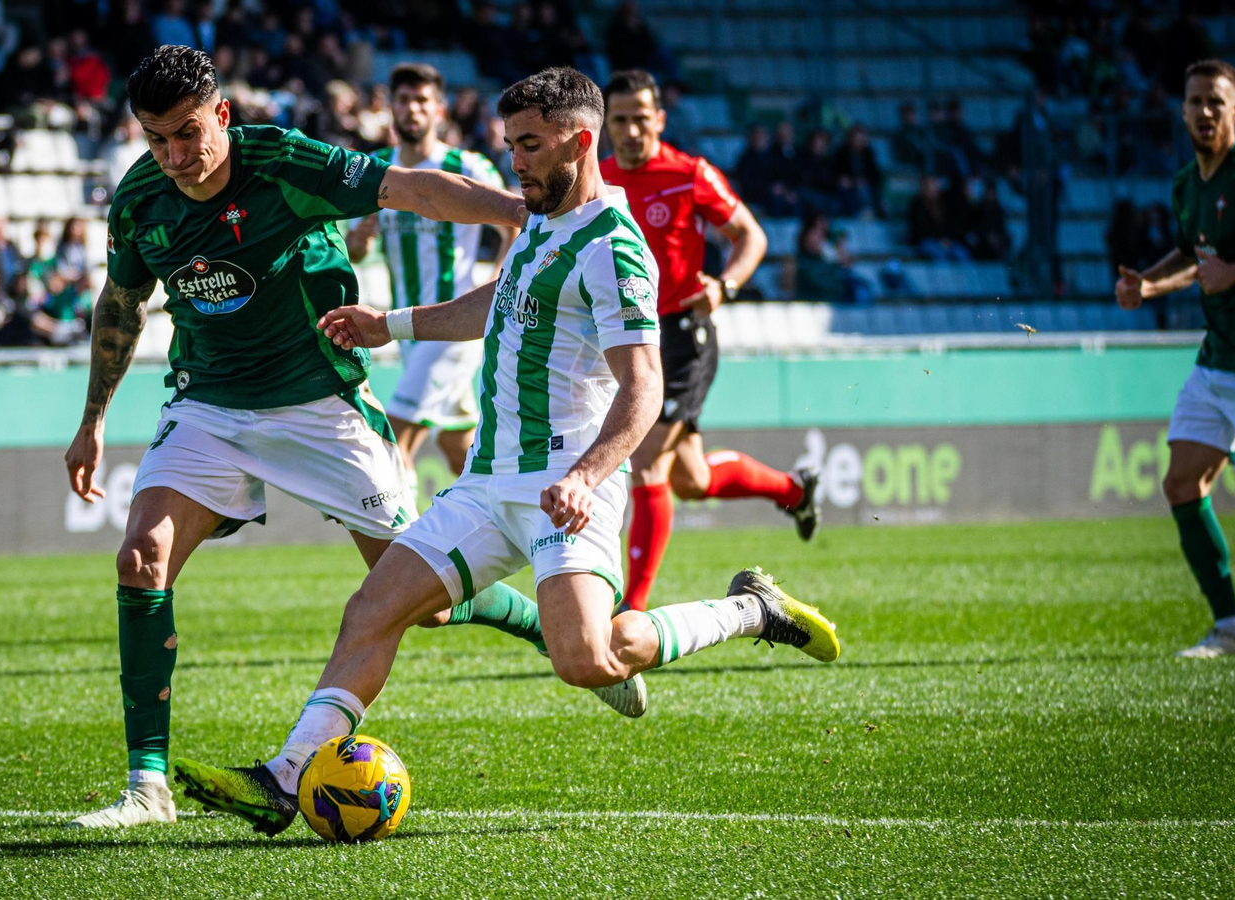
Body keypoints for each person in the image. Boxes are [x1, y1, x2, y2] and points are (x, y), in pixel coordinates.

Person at [168, 68, 841, 837]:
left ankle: (752, 608)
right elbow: (500, 299)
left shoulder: (615, 248)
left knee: (590, 659)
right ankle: (284, 780)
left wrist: (589, 476)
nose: (514, 163)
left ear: (579, 142)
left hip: (564, 485)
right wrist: (392, 324)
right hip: (489, 484)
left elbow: (644, 390)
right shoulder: (538, 221)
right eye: (508, 144)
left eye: (529, 145)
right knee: (373, 610)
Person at [63, 46, 633, 831]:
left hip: (322, 405)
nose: (174, 156)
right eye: (155, 139)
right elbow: (120, 305)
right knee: (140, 557)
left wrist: (515, 212)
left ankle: (549, 626)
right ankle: (146, 786)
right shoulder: (139, 200)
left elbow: (411, 190)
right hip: (210, 407)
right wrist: (92, 420)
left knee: (418, 606)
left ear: (222, 115)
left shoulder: (285, 161)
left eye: (187, 133)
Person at [598, 69, 819, 613]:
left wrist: (726, 285)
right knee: (691, 480)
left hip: (682, 337)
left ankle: (632, 610)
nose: (630, 132)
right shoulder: (596, 179)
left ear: (660, 119)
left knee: (647, 459)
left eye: (640, 120)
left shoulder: (688, 173)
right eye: (619, 121)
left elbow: (751, 235)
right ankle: (794, 490)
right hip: (626, 340)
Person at [1116, 59, 1235, 658]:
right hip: (1216, 360)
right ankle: (1231, 626)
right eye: (1195, 102)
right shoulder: (1185, 186)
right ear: (1182, 111)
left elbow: (1219, 268)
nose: (1204, 112)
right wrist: (1147, 284)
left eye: (1216, 102)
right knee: (1180, 482)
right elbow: (1195, 258)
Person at [345, 63, 516, 481]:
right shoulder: (376, 171)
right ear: (391, 110)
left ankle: (405, 547)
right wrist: (362, 237)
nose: (412, 109)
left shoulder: (468, 166)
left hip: (454, 327)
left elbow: (515, 223)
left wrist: (499, 282)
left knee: (394, 444)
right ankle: (503, 533)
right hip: (405, 328)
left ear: (440, 110)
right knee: (460, 451)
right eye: (403, 100)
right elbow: (351, 247)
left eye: (422, 100)